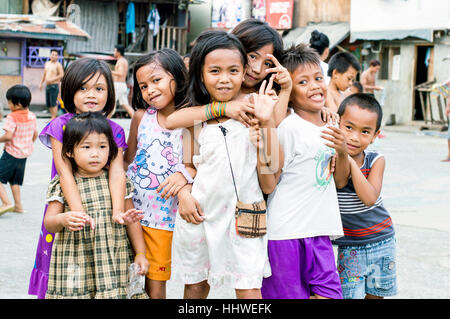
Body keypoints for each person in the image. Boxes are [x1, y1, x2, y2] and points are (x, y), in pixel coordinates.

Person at [171, 30, 283, 299]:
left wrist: (264, 134)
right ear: (201, 75)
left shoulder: (259, 110)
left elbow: (269, 182)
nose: (224, 79)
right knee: (196, 286)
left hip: (244, 220)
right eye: (215, 71)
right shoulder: (197, 118)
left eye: (233, 70)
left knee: (248, 288)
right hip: (200, 217)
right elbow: (189, 167)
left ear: (244, 71)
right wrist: (183, 192)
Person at [29, 58, 128, 299]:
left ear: (110, 93)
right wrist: (78, 213)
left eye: (99, 88)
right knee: (64, 269)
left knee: (105, 269)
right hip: (67, 204)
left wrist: (117, 211)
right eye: (82, 88)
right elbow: (64, 172)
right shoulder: (59, 127)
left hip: (104, 206)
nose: (90, 95)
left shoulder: (115, 129)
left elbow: (117, 171)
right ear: (69, 90)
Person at [261, 43, 346, 299]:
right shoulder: (288, 128)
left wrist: (342, 150)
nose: (315, 86)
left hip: (319, 233)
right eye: (303, 82)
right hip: (285, 234)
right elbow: (271, 180)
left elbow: (340, 180)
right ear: (289, 91)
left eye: (318, 78)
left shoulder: (333, 125)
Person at [43, 112, 149, 298]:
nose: (95, 153)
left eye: (102, 146)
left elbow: (133, 222)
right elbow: (49, 223)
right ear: (69, 151)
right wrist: (62, 219)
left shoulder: (118, 183)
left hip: (112, 261)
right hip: (75, 262)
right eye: (86, 147)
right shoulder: (61, 185)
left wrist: (140, 253)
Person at [124, 49, 194, 299]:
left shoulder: (190, 120)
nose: (150, 90)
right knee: (128, 283)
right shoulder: (141, 118)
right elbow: (127, 162)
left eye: (156, 81)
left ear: (177, 76)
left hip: (162, 220)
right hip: (132, 214)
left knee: (155, 287)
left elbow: (195, 163)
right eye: (143, 86)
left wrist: (184, 174)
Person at [323, 93, 397, 299]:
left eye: (365, 131)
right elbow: (339, 182)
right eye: (348, 127)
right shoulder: (331, 156)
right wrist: (342, 155)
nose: (355, 137)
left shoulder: (376, 160)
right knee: (350, 296)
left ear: (375, 135)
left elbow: (370, 198)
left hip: (381, 240)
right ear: (338, 123)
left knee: (376, 295)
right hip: (349, 246)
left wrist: (348, 158)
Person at [165, 18, 291, 130]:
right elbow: (172, 122)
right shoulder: (211, 90)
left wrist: (285, 89)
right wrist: (222, 108)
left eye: (267, 63)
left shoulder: (261, 97)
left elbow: (276, 127)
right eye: (252, 56)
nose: (258, 69)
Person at [0, 85, 38, 216]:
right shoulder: (32, 116)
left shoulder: (12, 117)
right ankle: (18, 206)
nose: (9, 104)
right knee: (15, 181)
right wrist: (27, 144)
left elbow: (8, 136)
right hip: (23, 155)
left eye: (10, 102)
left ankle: (6, 203)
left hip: (11, 154)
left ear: (18, 104)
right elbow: (35, 134)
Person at [40, 49, 64, 120]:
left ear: (57, 57)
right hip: (48, 86)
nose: (53, 56)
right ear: (50, 55)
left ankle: (53, 118)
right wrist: (41, 83)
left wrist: (52, 79)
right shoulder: (47, 63)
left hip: (54, 86)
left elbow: (62, 75)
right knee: (49, 103)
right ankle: (52, 117)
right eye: (52, 54)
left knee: (53, 103)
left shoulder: (58, 65)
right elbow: (44, 74)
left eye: (55, 55)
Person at [111, 44, 134, 118]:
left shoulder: (121, 61)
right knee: (125, 105)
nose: (114, 52)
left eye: (114, 50)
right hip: (122, 85)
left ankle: (106, 121)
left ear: (118, 52)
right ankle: (137, 120)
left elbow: (120, 73)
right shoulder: (124, 61)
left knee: (111, 103)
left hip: (118, 85)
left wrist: (110, 71)